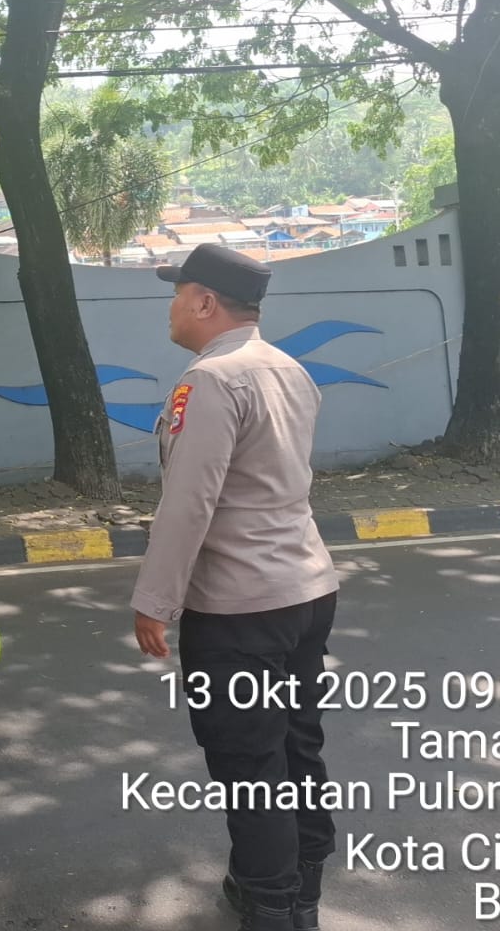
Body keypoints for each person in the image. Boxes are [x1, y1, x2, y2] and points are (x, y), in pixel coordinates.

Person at [130, 244, 340, 931]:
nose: (170, 306)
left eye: (177, 292)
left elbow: (189, 503)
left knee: (249, 760)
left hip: (239, 606)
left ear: (204, 302)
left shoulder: (211, 380)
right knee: (296, 744)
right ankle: (299, 889)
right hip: (306, 589)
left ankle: (271, 903)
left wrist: (154, 602)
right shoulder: (287, 368)